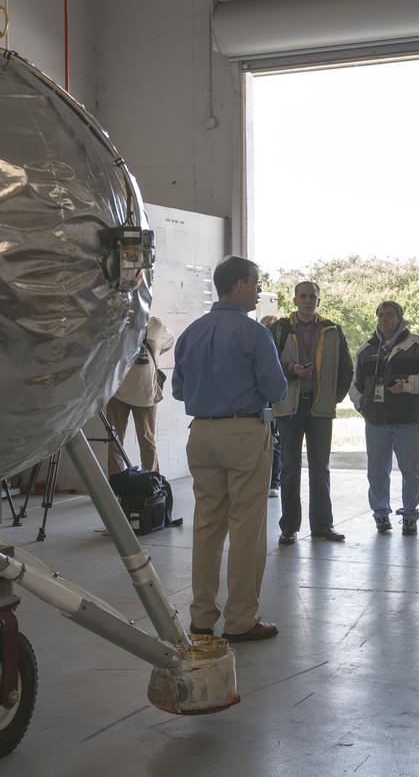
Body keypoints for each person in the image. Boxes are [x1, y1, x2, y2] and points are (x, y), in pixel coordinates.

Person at [171, 256, 287, 642]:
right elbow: (276, 390)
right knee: (247, 528)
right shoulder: (254, 334)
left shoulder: (192, 332)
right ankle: (240, 620)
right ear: (238, 285)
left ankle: (202, 616)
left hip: (201, 433)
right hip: (243, 433)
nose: (258, 290)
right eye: (255, 283)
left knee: (206, 526)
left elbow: (179, 390)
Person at [271, 281, 353, 544]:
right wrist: (290, 371)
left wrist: (334, 398)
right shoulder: (280, 329)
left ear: (319, 300)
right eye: (302, 296)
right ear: (294, 299)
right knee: (290, 468)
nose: (307, 300)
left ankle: (322, 526)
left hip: (320, 409)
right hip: (289, 408)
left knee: (320, 468)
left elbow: (346, 369)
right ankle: (289, 527)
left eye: (312, 296)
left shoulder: (332, 330)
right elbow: (268, 367)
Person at [355, 301, 419, 535]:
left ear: (400, 318)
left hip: (407, 420)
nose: (384, 319)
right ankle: (380, 514)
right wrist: (363, 407)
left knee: (411, 470)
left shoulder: (418, 344)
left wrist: (408, 385)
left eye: (389, 315)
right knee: (377, 471)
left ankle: (410, 515)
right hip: (376, 422)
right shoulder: (366, 349)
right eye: (380, 315)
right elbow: (355, 384)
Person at [106, 315, 175, 475]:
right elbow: (169, 343)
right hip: (136, 393)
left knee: (119, 441)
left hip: (128, 392)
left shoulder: (120, 323)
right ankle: (148, 481)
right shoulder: (153, 324)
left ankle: (123, 483)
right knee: (142, 441)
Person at [260, 314, 283, 499]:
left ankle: (274, 481)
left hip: (276, 404)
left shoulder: (280, 349)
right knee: (268, 439)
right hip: (264, 405)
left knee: (275, 440)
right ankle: (268, 480)